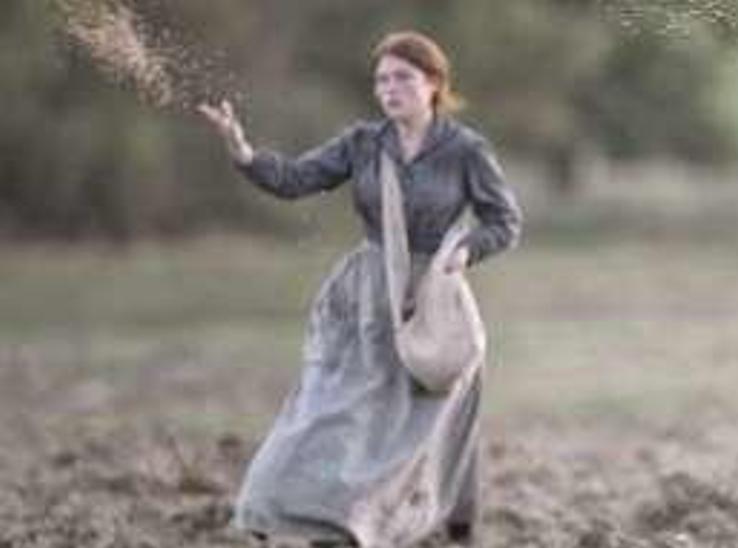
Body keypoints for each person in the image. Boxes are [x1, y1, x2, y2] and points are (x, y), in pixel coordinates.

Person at [199, 30, 521, 547]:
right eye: (382, 80)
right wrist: (242, 151)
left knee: (425, 424)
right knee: (331, 413)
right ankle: (288, 510)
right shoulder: (362, 144)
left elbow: (504, 222)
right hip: (366, 300)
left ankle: (412, 526)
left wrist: (464, 251)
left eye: (403, 78)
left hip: (432, 305)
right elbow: (294, 179)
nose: (390, 89)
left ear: (434, 84)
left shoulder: (466, 150)